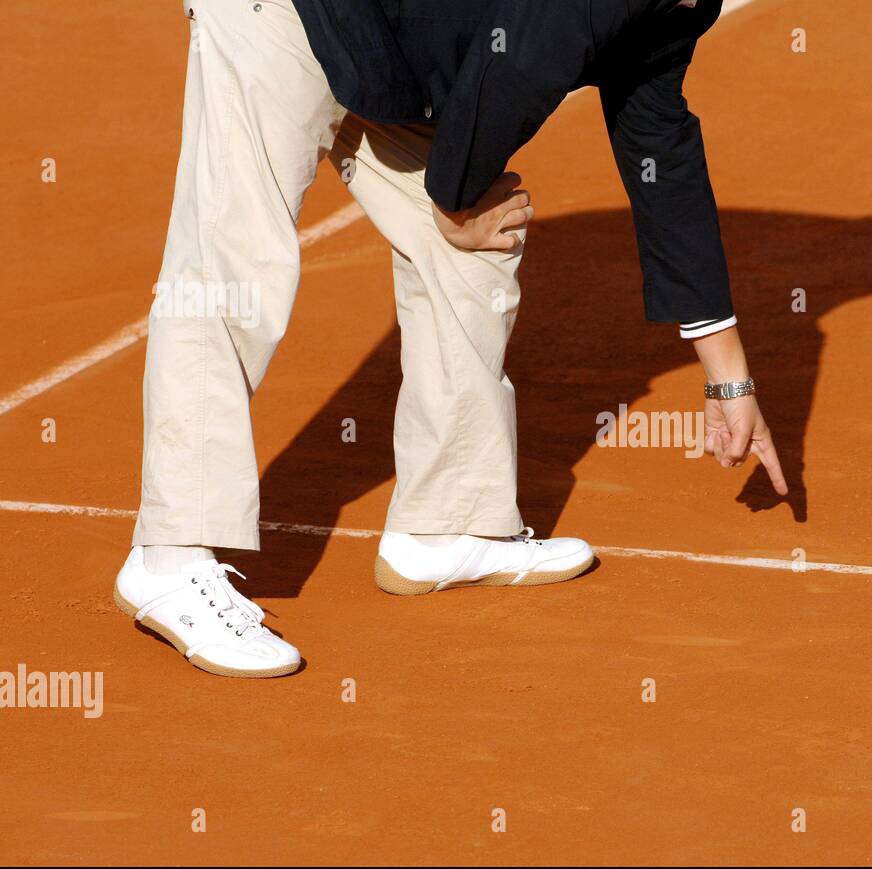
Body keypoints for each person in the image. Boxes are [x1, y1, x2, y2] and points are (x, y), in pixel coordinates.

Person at [115, 0, 785, 679]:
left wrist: (727, 375)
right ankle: (169, 558)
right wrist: (453, 201)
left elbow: (657, 137)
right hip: (278, 15)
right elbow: (519, 59)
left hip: (386, 39)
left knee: (474, 252)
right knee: (232, 268)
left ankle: (449, 522)